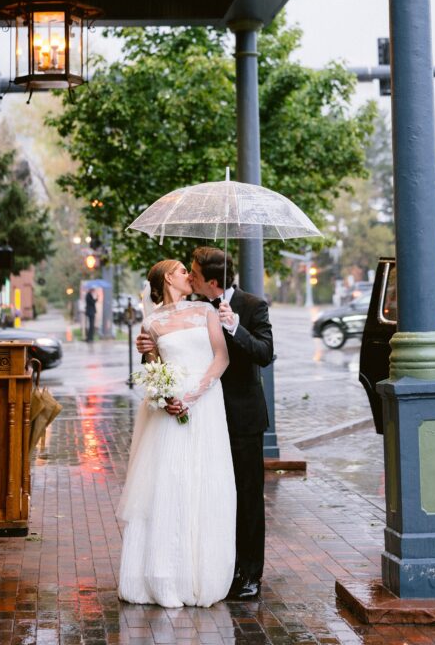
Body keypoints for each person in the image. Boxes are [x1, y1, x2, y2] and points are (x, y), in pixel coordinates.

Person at [137, 247, 273, 601]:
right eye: (187, 272)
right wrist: (146, 346)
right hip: (201, 416)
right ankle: (212, 566)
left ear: (212, 281)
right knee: (207, 492)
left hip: (240, 416)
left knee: (245, 496)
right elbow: (166, 351)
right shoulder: (191, 308)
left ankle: (249, 573)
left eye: (194, 273)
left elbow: (264, 353)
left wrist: (235, 326)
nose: (191, 277)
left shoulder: (252, 305)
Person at [118, 259, 235, 607]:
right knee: (169, 484)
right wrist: (165, 391)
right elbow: (153, 370)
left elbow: (221, 357)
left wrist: (193, 395)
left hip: (205, 405)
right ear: (169, 277)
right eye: (184, 271)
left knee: (204, 483)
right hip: (169, 412)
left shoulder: (206, 311)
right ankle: (163, 576)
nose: (190, 276)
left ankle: (202, 576)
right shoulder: (151, 323)